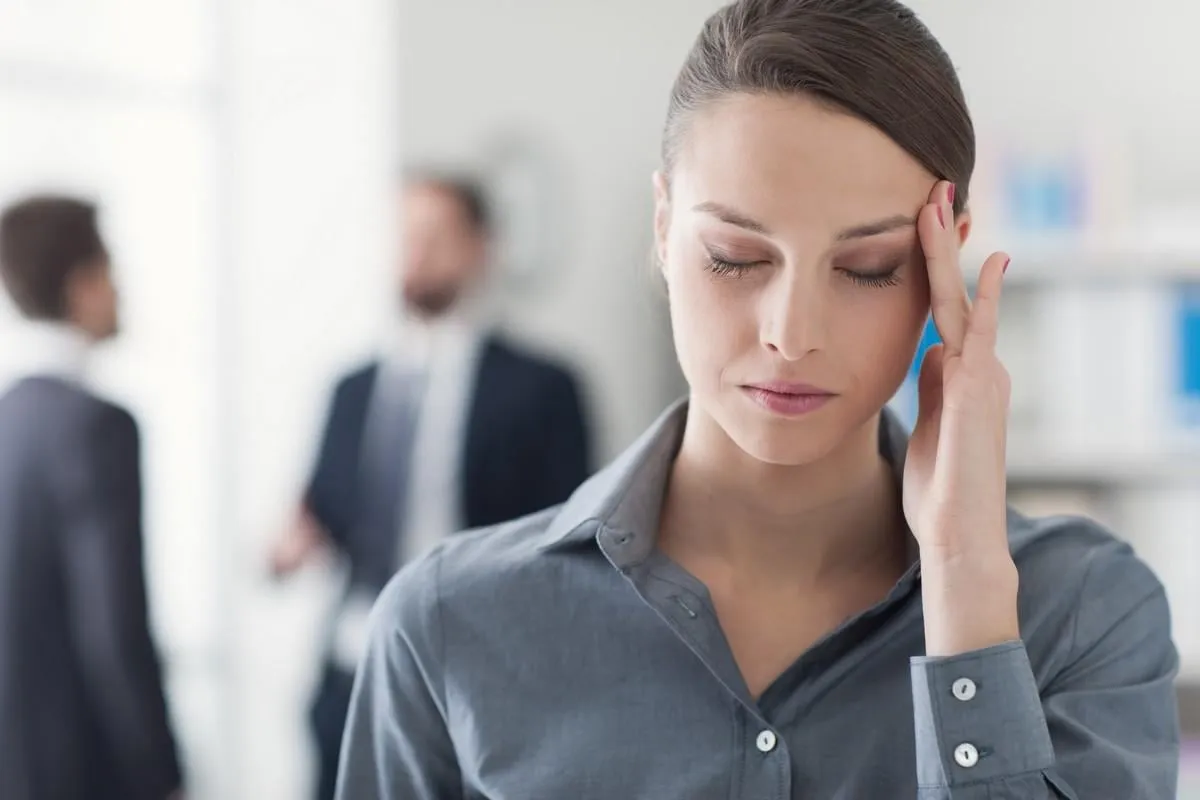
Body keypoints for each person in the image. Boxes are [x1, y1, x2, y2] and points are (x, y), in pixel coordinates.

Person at [337, 2, 1183, 798]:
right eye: (736, 258)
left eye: (867, 269)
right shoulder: (445, 624)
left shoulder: (1085, 614)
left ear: (941, 266)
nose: (791, 333)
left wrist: (966, 594)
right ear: (664, 229)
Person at [270, 171, 593, 800]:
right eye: (402, 236)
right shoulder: (351, 389)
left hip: (486, 679)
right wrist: (293, 542)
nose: (413, 252)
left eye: (433, 235)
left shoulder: (544, 389)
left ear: (481, 248)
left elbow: (574, 546)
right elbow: (321, 509)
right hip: (353, 672)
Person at [0, 196, 185, 800]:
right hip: (82, 767)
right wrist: (161, 771)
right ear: (80, 285)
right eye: (111, 270)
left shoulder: (10, 417)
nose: (121, 290)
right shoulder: (96, 426)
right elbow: (113, 622)